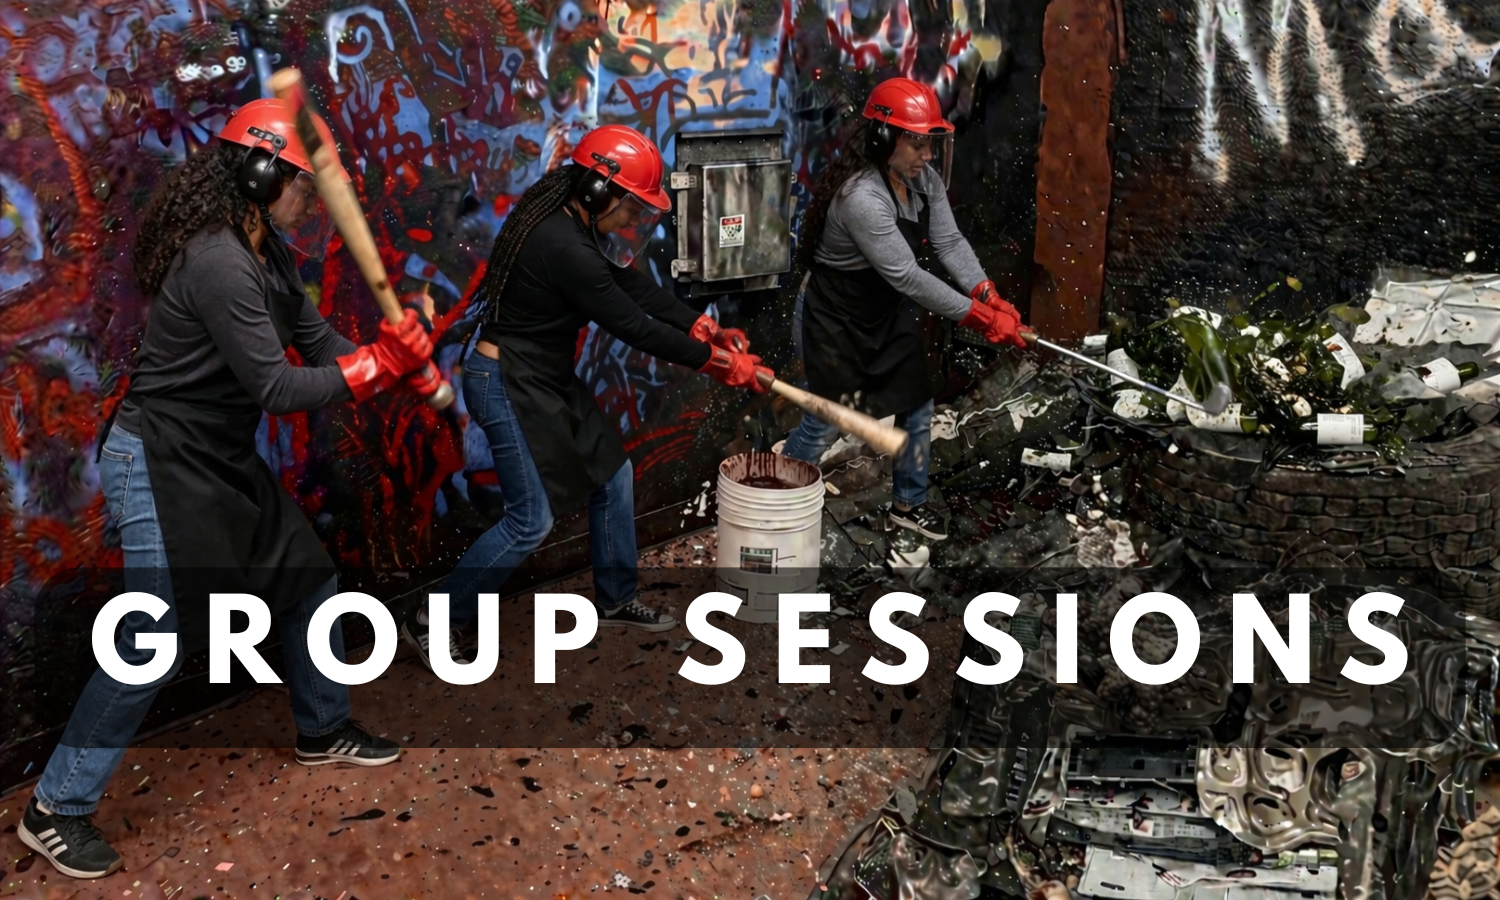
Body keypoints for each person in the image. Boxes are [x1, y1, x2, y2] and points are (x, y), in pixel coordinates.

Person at [19, 99, 424, 880]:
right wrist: (372, 370)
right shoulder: (218, 260)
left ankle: (323, 727)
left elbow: (316, 342)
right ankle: (55, 807)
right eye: (302, 184)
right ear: (263, 173)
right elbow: (277, 388)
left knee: (307, 577)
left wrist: (387, 358)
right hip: (159, 455)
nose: (309, 200)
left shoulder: (266, 252)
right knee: (152, 637)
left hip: (217, 454)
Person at [400, 125, 770, 670]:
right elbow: (632, 326)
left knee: (612, 476)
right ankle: (431, 619)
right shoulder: (563, 243)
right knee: (530, 521)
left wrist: (702, 327)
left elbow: (627, 284)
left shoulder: (574, 223)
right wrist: (719, 364)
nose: (633, 217)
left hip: (543, 373)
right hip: (507, 381)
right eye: (632, 205)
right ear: (599, 189)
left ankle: (615, 598)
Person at [783, 76, 1028, 541]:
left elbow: (949, 241)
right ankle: (776, 499)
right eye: (917, 144)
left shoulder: (923, 181)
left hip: (883, 308)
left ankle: (908, 505)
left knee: (916, 403)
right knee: (829, 418)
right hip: (833, 314)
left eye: (931, 143)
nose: (927, 156)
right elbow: (908, 276)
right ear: (882, 137)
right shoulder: (861, 197)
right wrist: (981, 319)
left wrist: (987, 293)